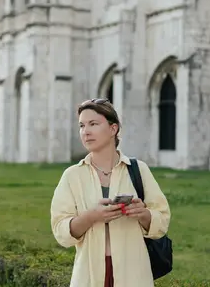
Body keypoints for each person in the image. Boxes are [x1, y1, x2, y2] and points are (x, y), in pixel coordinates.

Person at [50, 98, 171, 287]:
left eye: (93, 124)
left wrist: (143, 214)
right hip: (88, 275)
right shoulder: (72, 176)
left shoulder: (139, 170)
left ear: (113, 129)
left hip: (133, 274)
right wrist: (92, 216)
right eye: (82, 125)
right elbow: (60, 231)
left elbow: (162, 220)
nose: (86, 131)